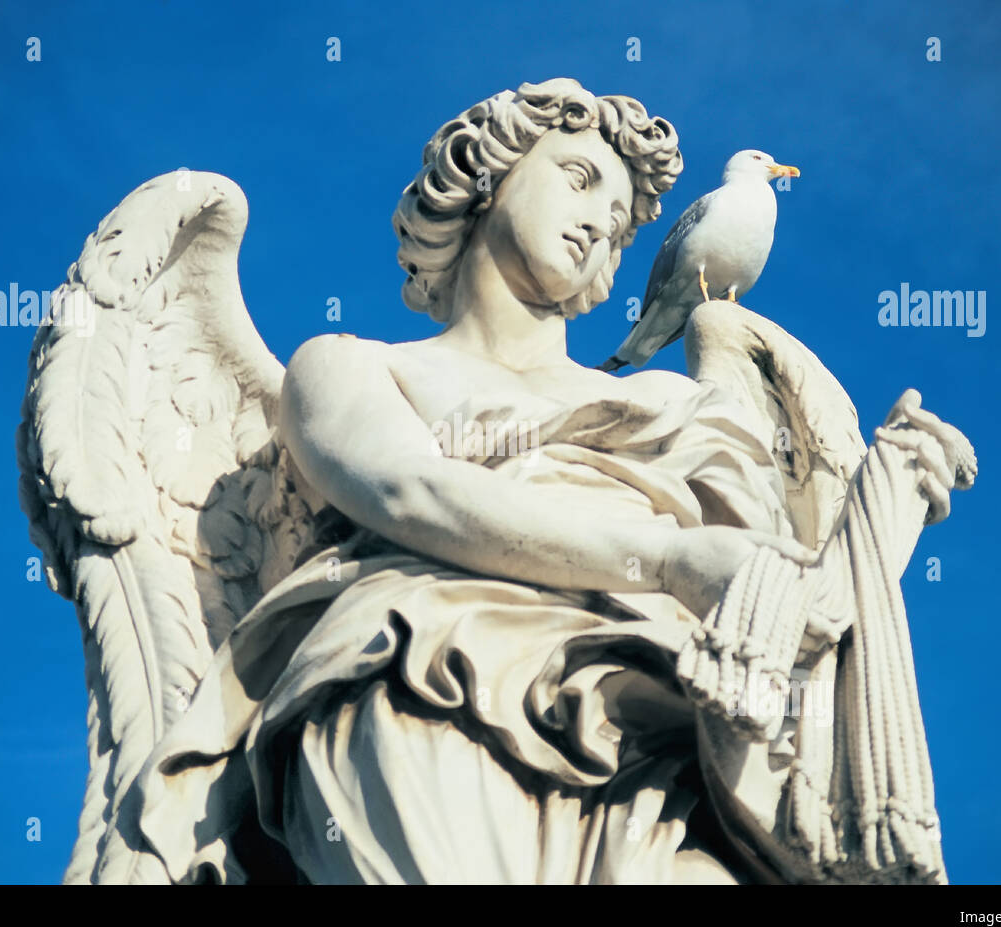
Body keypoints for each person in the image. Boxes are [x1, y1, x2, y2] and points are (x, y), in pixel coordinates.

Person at [137, 80, 869, 884]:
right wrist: (665, 560)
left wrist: (879, 518)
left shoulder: (670, 402)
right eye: (579, 178)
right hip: (426, 686)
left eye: (619, 220)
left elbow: (783, 584)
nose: (598, 222)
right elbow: (410, 491)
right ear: (488, 176)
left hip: (656, 728)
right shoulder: (353, 366)